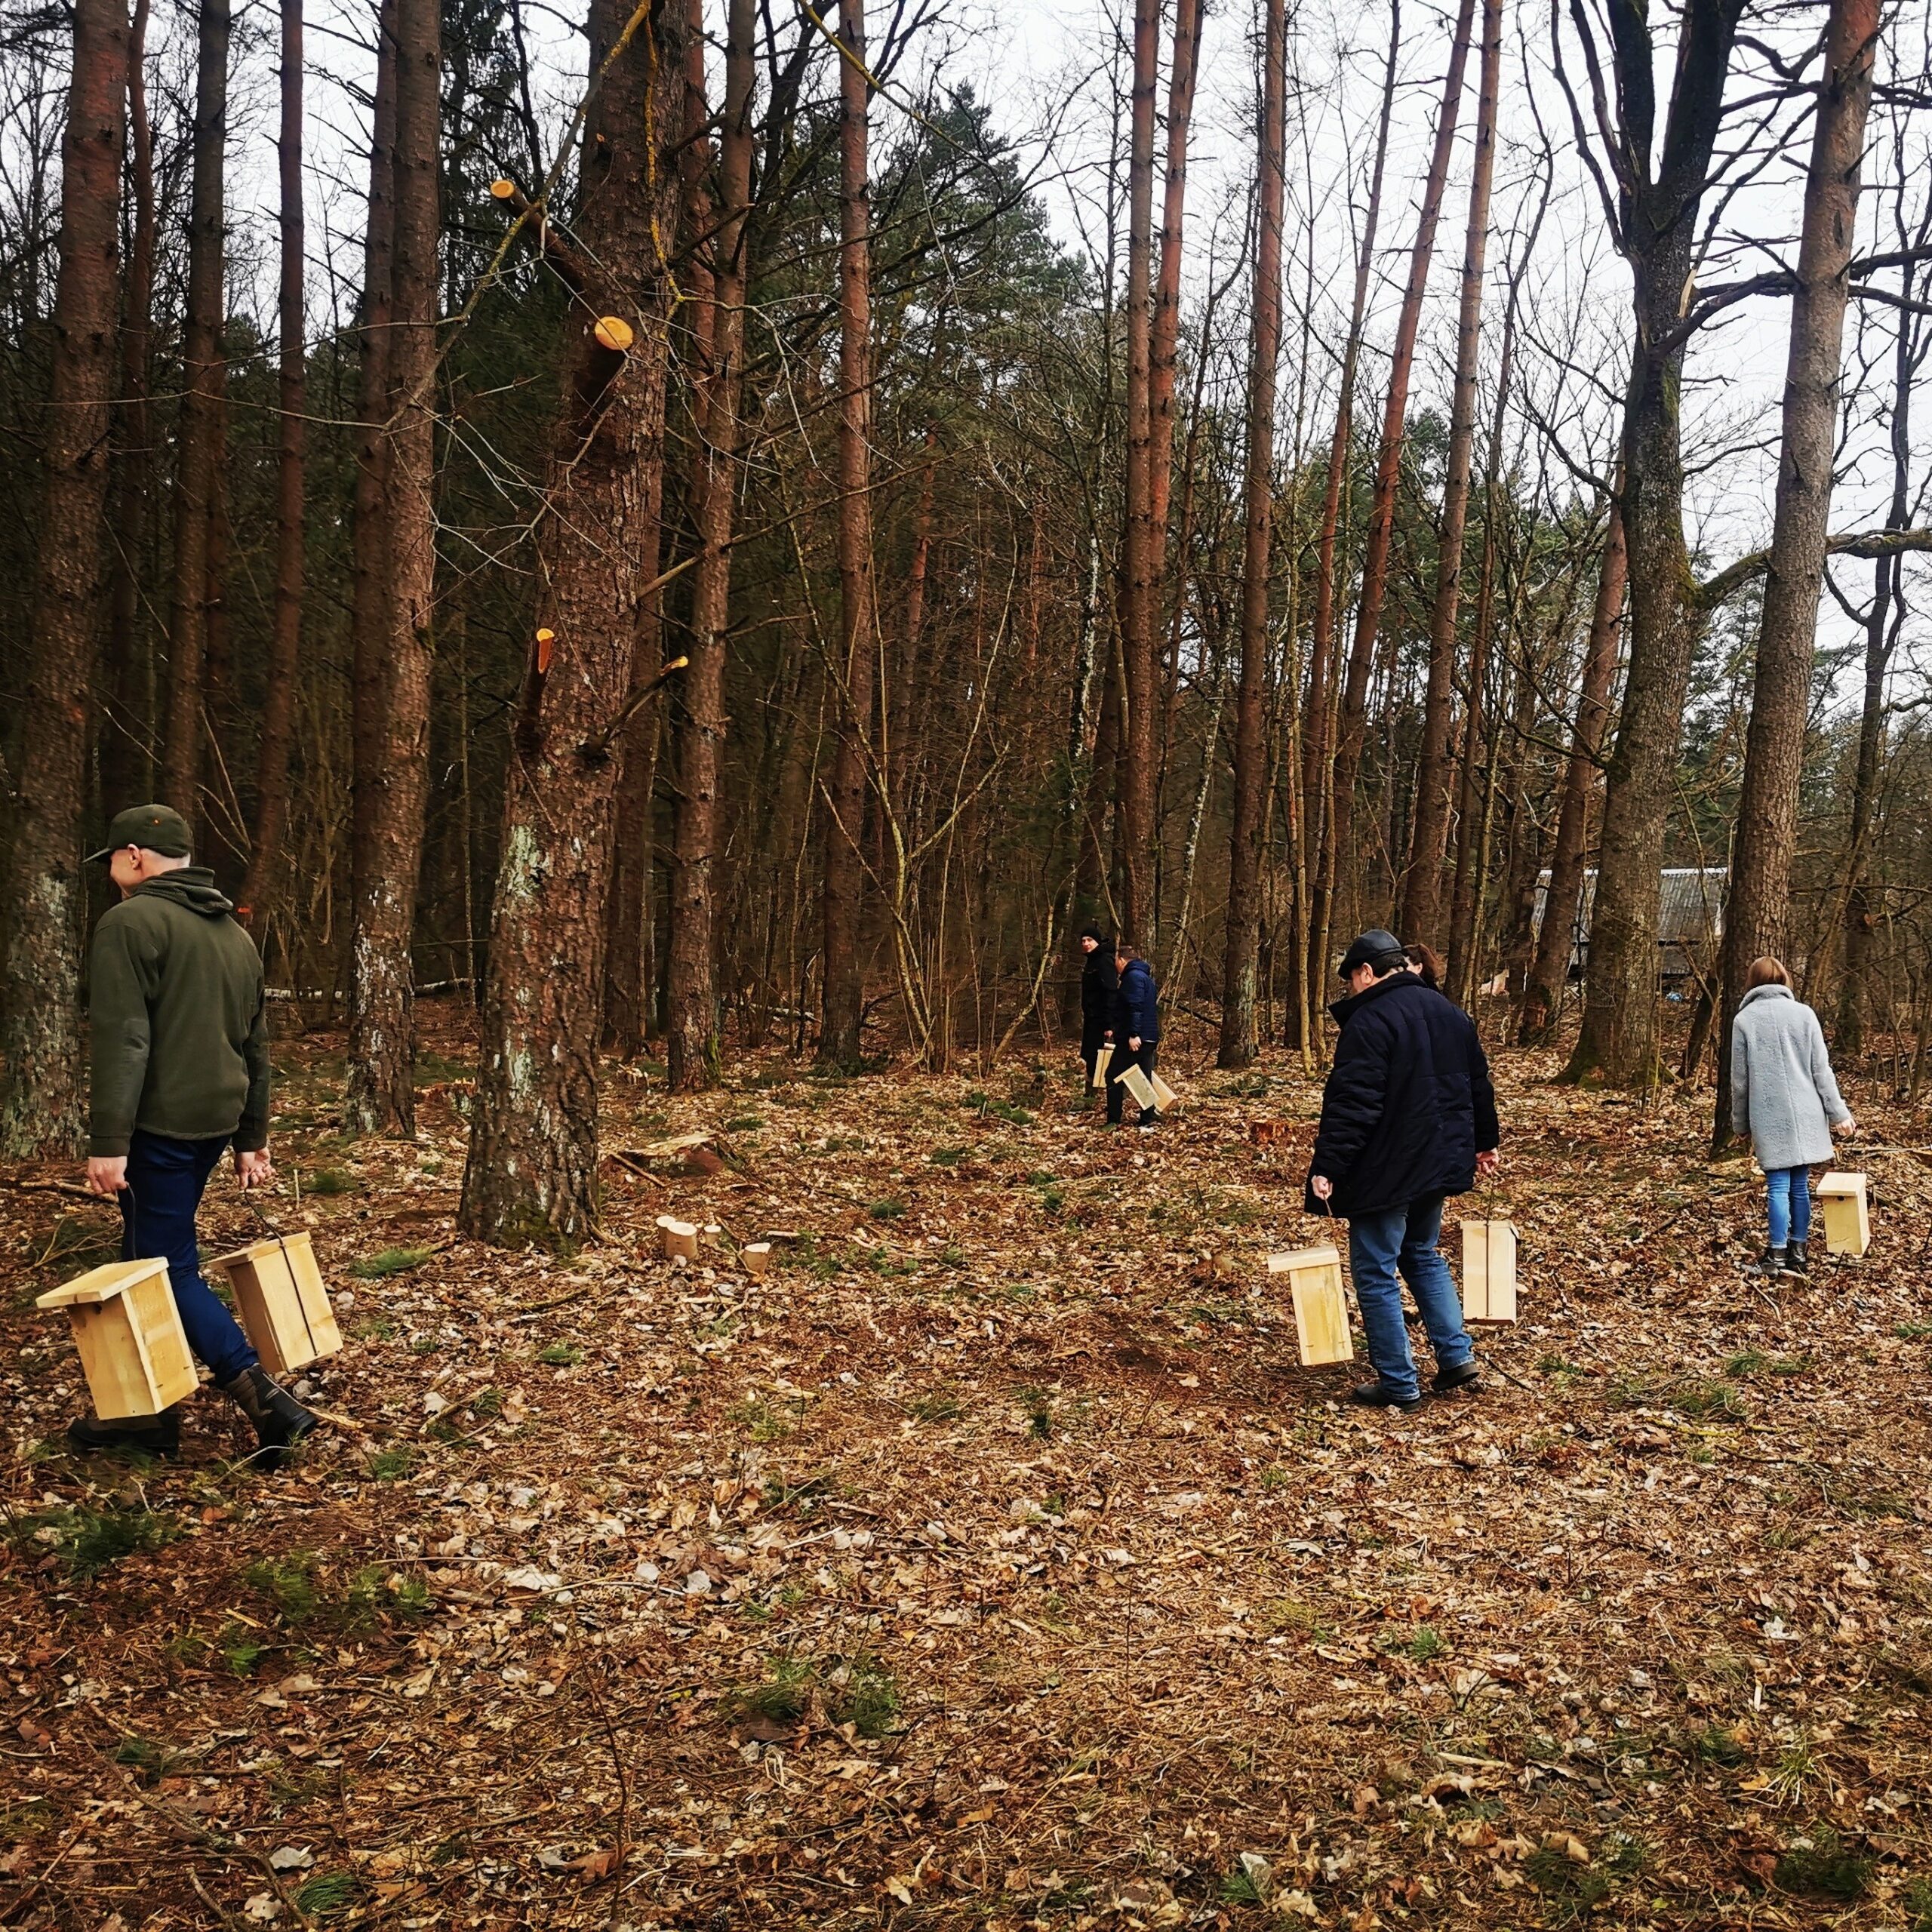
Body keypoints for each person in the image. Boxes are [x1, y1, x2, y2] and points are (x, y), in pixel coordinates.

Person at [69, 804, 318, 1460]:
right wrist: (250, 1135)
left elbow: (123, 1039)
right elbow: (255, 1045)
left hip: (160, 1129)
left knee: (164, 1266)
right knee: (145, 1254)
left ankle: (265, 1400)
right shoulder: (233, 934)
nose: (113, 875)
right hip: (213, 1123)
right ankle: (145, 1413)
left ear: (133, 856)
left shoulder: (129, 924)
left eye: (114, 863)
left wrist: (108, 1141)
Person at [1306, 929, 1500, 1412]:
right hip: (1437, 1160)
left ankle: (1398, 1384)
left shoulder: (1370, 1021)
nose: (1350, 989)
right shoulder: (1449, 1012)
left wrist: (1328, 1165)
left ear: (1367, 972)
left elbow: (1353, 1105)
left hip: (1387, 1168)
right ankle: (1456, 1360)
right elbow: (1479, 1084)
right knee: (1423, 1254)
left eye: (1351, 978)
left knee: (1375, 1271)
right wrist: (1484, 1143)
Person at [1730, 955, 1855, 1277]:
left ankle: (1776, 1256)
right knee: (1799, 1187)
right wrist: (1838, 1113)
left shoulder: (1744, 1020)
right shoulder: (1805, 1015)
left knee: (1777, 1187)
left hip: (1769, 1114)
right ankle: (1799, 1253)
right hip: (1807, 1112)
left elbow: (1740, 1081)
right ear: (1785, 979)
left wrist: (1740, 1124)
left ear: (1751, 982)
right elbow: (1821, 1070)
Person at [1107, 941, 1162, 1130]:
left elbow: (1135, 1007)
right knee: (1144, 1077)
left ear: (1122, 960)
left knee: (1113, 1075)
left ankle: (1113, 1120)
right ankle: (1147, 1118)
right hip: (1149, 1037)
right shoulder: (1145, 977)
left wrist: (1133, 1034)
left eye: (1116, 960)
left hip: (1136, 1038)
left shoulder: (1133, 978)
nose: (1115, 964)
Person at [1076, 927, 1118, 1106]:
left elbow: (1110, 993)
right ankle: (1091, 1095)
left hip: (1102, 1021)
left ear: (1097, 942)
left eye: (1089, 941)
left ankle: (1110, 1097)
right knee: (1091, 1057)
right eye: (1083, 941)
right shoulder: (1091, 962)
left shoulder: (1104, 962)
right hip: (1092, 1020)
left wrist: (1109, 1025)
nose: (1086, 944)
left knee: (1105, 1058)